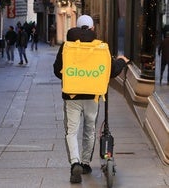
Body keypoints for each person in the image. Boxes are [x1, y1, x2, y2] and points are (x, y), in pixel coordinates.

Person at [53, 15, 130, 184]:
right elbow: (110, 71)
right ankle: (86, 163)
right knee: (90, 129)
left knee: (71, 131)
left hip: (71, 96)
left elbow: (57, 70)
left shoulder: (67, 46)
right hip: (92, 95)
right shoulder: (101, 47)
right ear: (92, 29)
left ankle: (74, 163)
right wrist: (121, 62)